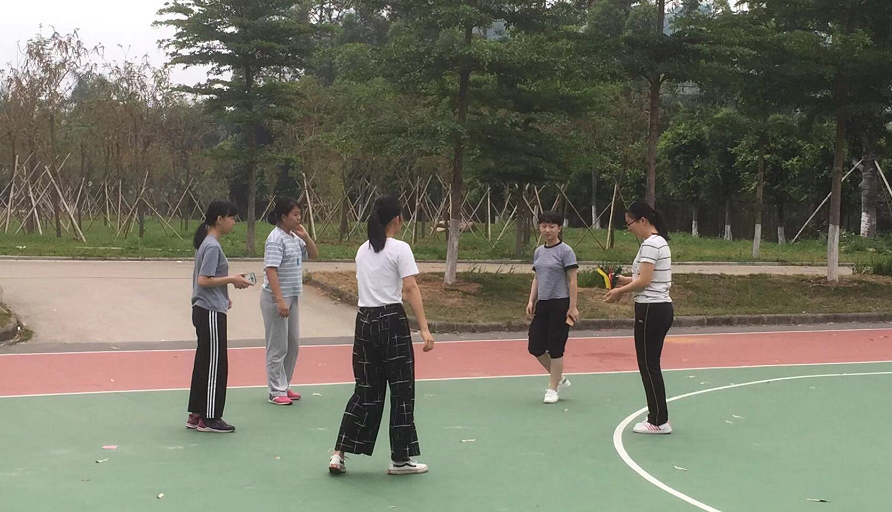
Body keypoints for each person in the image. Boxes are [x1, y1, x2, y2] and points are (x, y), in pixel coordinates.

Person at [329, 194, 435, 476]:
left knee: (365, 390)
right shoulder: (400, 249)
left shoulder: (362, 250)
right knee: (401, 390)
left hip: (364, 322)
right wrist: (424, 327)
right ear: (397, 219)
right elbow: (410, 288)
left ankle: (339, 453)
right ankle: (400, 459)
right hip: (391, 321)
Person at [605, 201, 674, 434]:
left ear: (643, 220)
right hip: (657, 307)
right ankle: (658, 416)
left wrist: (619, 292)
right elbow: (646, 277)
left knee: (648, 365)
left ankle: (658, 420)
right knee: (649, 364)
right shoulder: (658, 242)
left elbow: (644, 281)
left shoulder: (651, 244)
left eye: (630, 223)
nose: (629, 228)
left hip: (651, 309)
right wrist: (625, 280)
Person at [186, 200, 253, 433]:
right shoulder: (212, 246)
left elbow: (209, 279)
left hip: (206, 308)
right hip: (210, 312)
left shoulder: (206, 243)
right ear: (219, 219)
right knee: (215, 364)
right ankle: (210, 417)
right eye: (231, 217)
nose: (234, 222)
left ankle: (196, 413)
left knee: (204, 362)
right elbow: (203, 280)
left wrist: (224, 295)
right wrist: (232, 279)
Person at [261, 198, 318, 405]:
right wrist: (279, 300)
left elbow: (314, 254)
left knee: (292, 344)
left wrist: (306, 236)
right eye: (295, 214)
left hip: (292, 297)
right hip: (276, 298)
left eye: (299, 214)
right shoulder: (276, 239)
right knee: (278, 346)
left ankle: (284, 385)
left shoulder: (294, 237)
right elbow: (271, 270)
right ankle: (275, 390)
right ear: (283, 217)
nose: (299, 217)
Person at [526, 210, 579, 404]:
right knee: (535, 346)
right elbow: (537, 277)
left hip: (560, 303)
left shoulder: (566, 251)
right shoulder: (539, 251)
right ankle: (559, 378)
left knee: (556, 347)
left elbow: (572, 280)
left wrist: (573, 307)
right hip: (543, 304)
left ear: (559, 228)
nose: (547, 230)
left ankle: (553, 388)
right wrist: (531, 300)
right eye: (543, 226)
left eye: (551, 226)